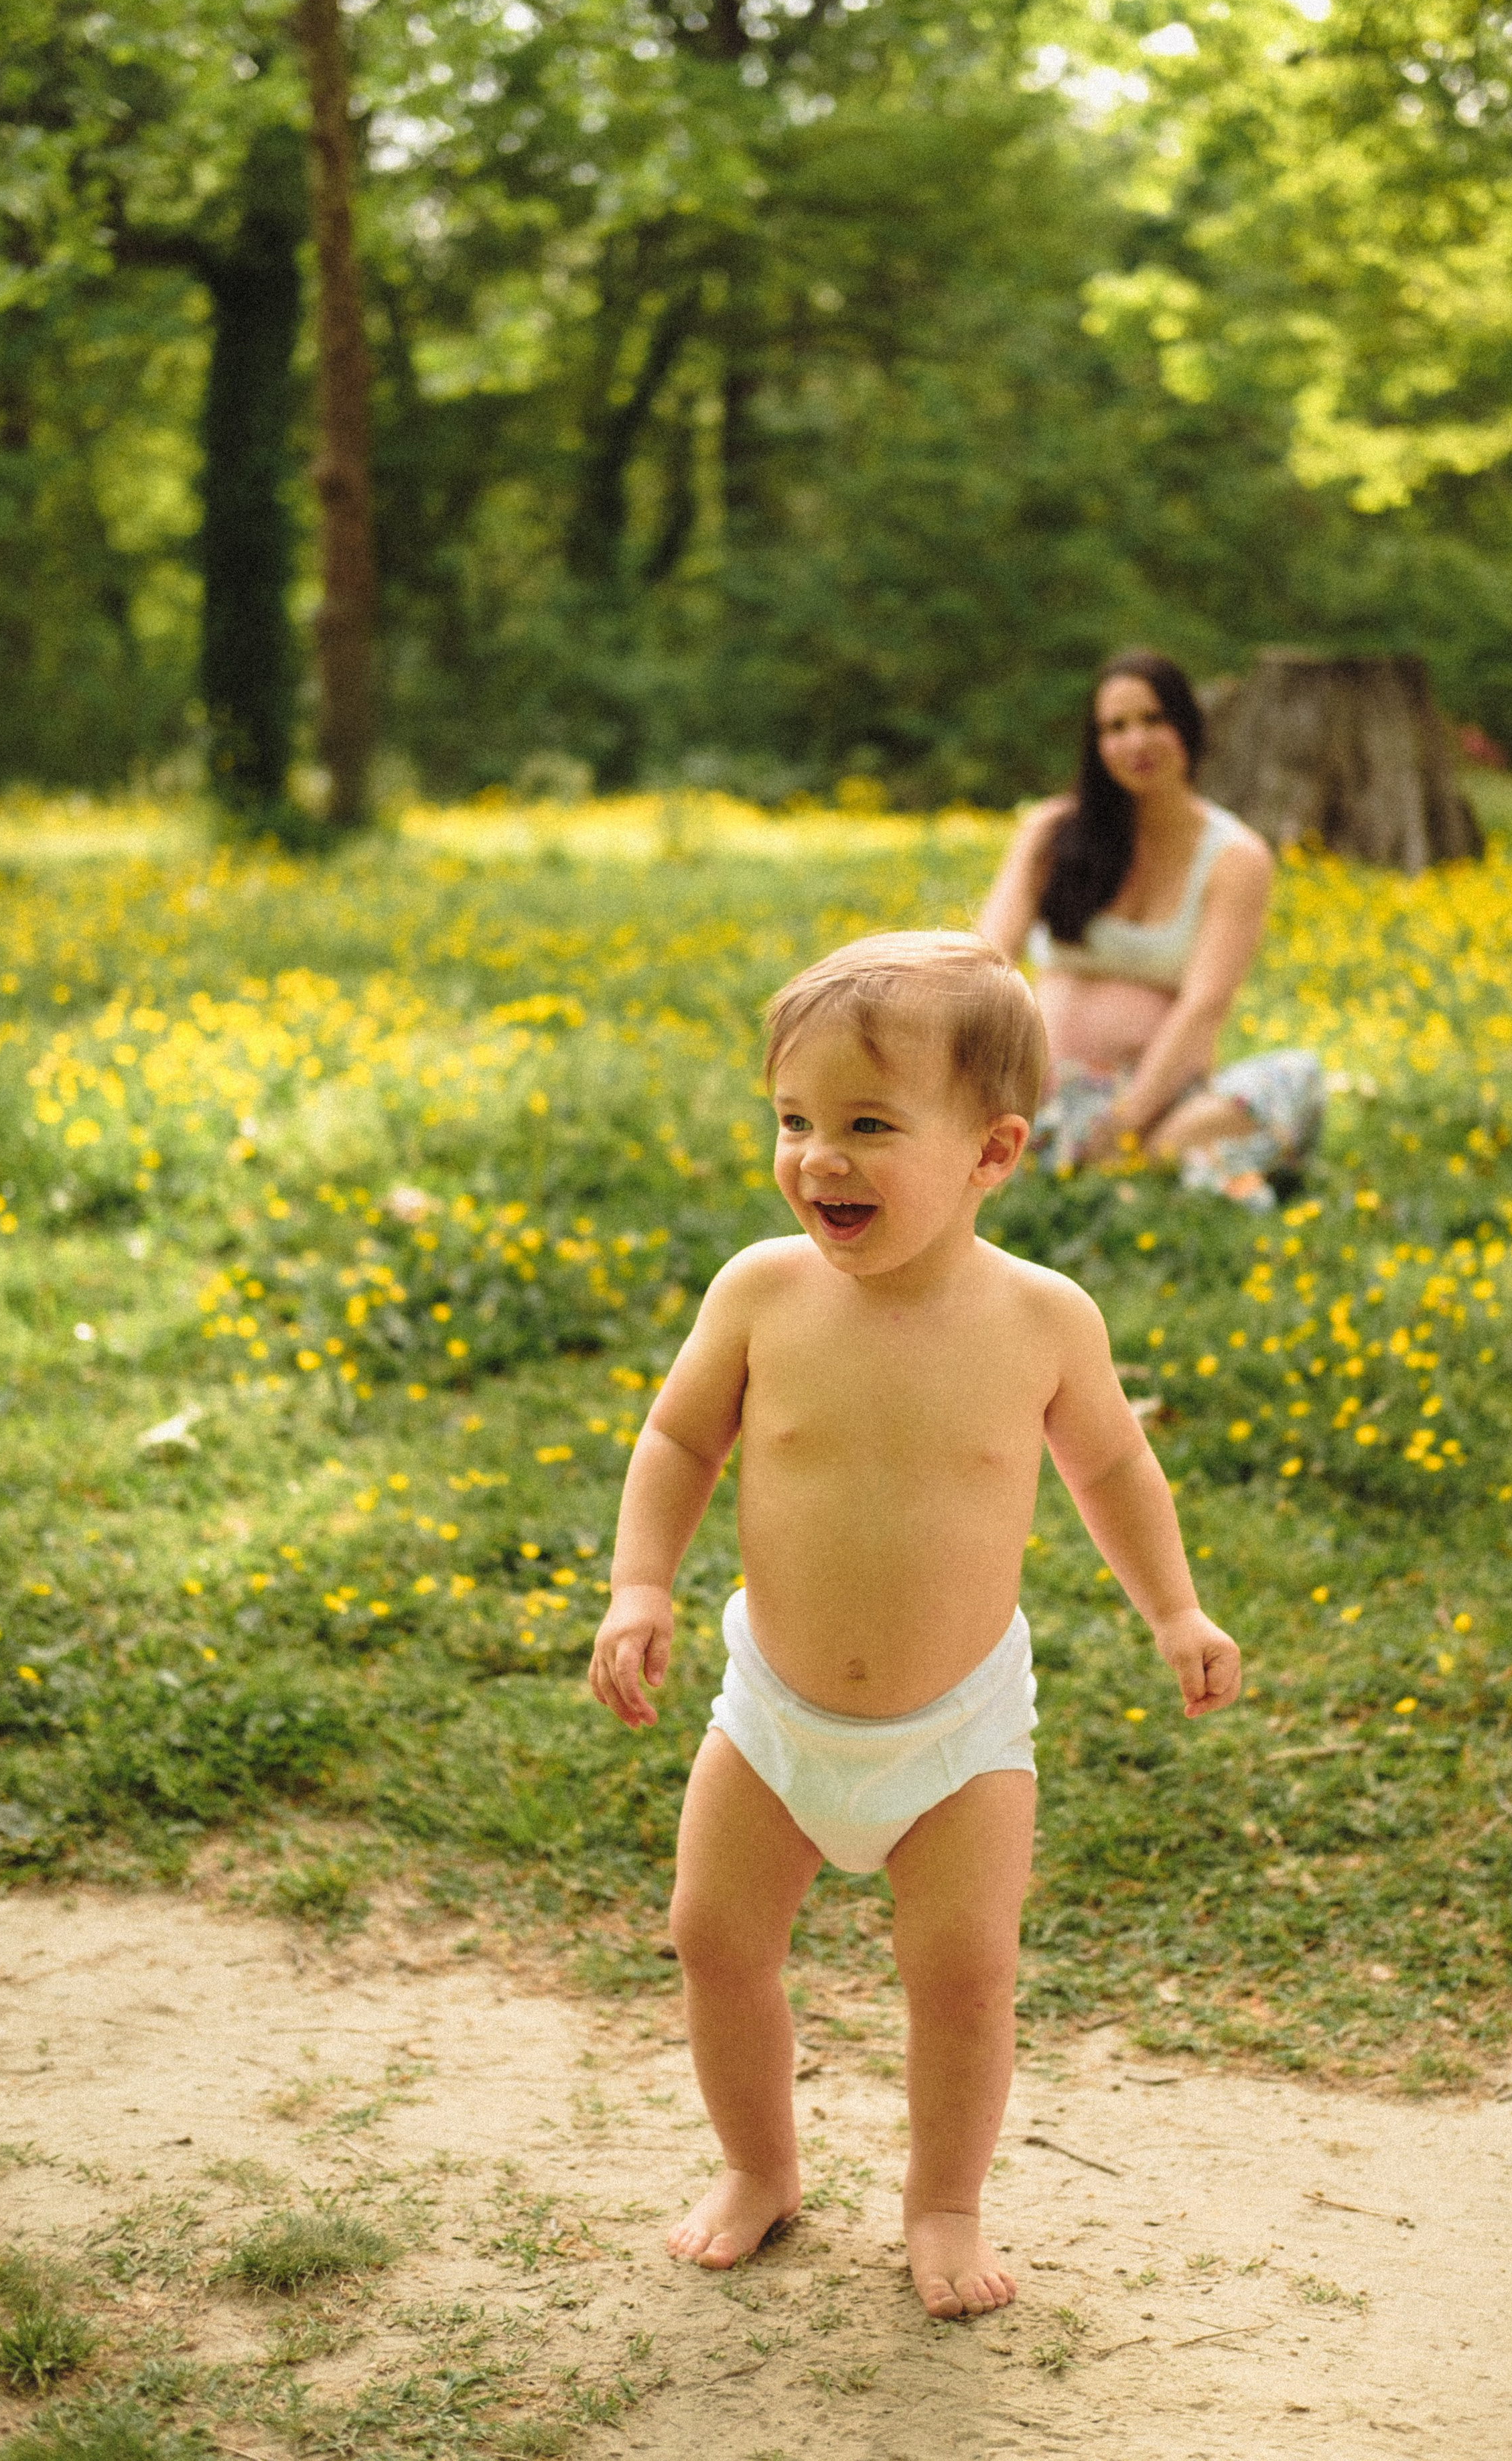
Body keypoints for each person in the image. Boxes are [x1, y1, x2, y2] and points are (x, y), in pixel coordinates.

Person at [587, 931, 1241, 2320]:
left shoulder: (1041, 1320)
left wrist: (1175, 1609)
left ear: (992, 1152)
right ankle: (759, 2169)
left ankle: (944, 2200)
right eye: (793, 1120)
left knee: (962, 1975)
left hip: (958, 1736)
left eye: (869, 1126)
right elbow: (678, 1438)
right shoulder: (761, 1293)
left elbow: (1115, 1470)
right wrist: (641, 1583)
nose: (818, 1158)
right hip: (773, 1714)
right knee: (715, 1938)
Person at [976, 647, 1323, 1205]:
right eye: (1115, 727)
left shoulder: (1237, 857)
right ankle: (1166, 1167)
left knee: (1297, 1077)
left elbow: (1204, 1005)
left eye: (1153, 720)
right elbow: (984, 962)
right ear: (1096, 744)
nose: (1135, 742)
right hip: (1039, 1091)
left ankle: (1145, 1155)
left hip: (1159, 1099)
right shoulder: (1050, 833)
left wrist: (1127, 1120)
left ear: (1188, 726)